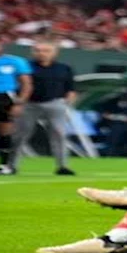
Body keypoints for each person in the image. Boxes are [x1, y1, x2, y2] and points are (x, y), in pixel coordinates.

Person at [11, 41, 77, 175]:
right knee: (19, 135)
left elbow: (71, 88)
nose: (41, 53)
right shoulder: (25, 67)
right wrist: (18, 103)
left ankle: (63, 166)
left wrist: (67, 104)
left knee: (59, 134)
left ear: (55, 53)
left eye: (46, 50)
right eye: (38, 50)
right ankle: (11, 165)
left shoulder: (64, 68)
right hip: (29, 104)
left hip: (55, 103)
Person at [0, 36, 32, 175]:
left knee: (5, 133)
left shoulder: (15, 61)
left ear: (1, 46)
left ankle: (3, 165)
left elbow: (26, 84)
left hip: (5, 99)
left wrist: (20, 103)